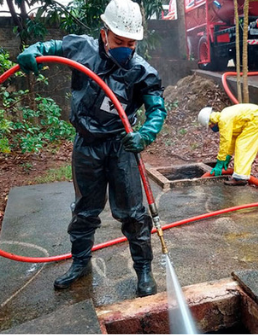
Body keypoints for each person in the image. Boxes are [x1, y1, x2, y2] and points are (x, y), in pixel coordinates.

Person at [16, 0, 167, 297]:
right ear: (104, 33)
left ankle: (144, 270)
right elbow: (54, 45)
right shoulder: (82, 49)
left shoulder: (141, 72)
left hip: (121, 146)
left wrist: (145, 134)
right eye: (119, 40)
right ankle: (80, 263)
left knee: (133, 213)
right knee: (85, 209)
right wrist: (35, 50)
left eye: (131, 42)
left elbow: (157, 109)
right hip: (87, 144)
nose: (126, 47)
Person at [197, 103, 258, 186]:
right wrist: (227, 157)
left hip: (257, 119)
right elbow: (231, 140)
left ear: (211, 122)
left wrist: (220, 161)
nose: (211, 128)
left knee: (243, 145)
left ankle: (240, 177)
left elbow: (225, 141)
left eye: (210, 126)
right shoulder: (227, 116)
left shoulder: (224, 120)